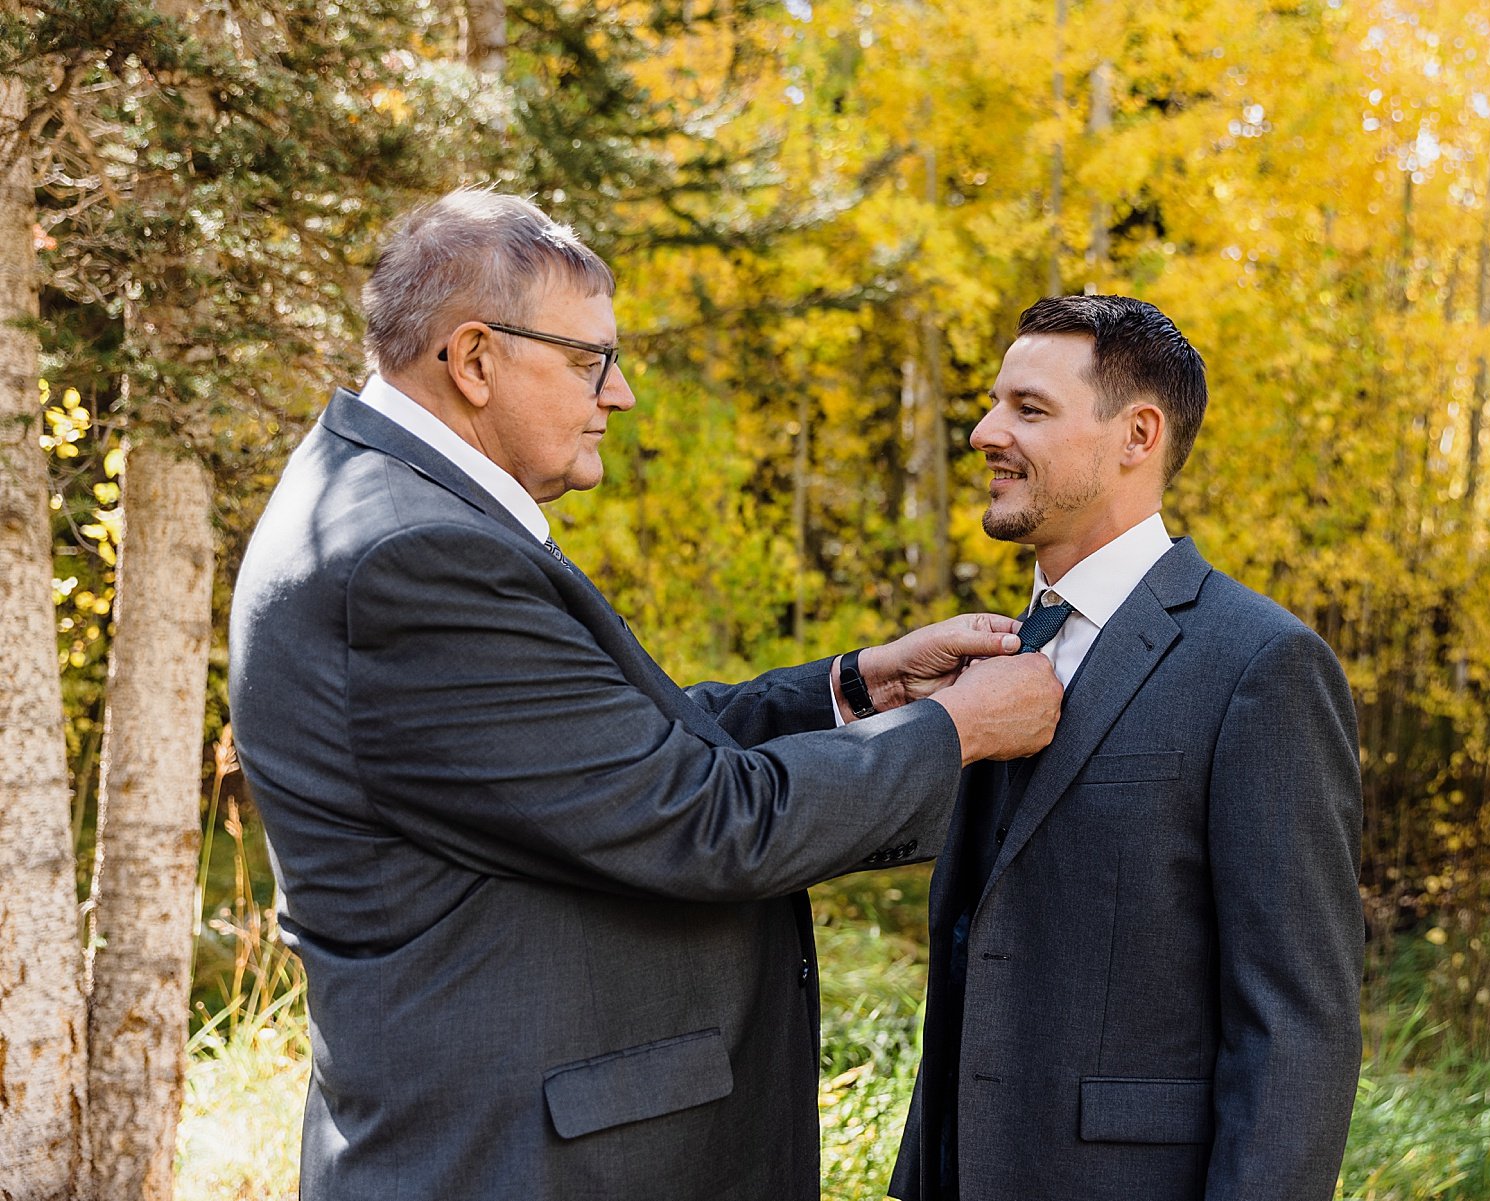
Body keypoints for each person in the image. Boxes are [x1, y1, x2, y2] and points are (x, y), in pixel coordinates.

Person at [226, 189, 1062, 1201]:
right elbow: (699, 819)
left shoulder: (388, 507)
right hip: (515, 1163)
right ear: (476, 359)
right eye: (590, 363)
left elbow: (597, 758)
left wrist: (854, 686)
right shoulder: (414, 555)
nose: (617, 396)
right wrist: (952, 732)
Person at [890, 296, 1364, 1201]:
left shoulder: (1262, 666)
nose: (987, 431)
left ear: (1136, 435)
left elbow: (1296, 1024)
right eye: (994, 404)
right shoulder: (988, 654)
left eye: (1028, 409)